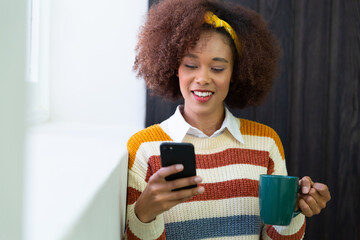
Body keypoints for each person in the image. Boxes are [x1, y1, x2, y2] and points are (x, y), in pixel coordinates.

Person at [125, 0, 331, 239]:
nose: (202, 78)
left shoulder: (265, 143)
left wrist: (293, 211)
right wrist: (145, 213)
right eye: (191, 65)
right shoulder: (142, 148)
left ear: (236, 73)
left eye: (218, 68)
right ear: (174, 68)